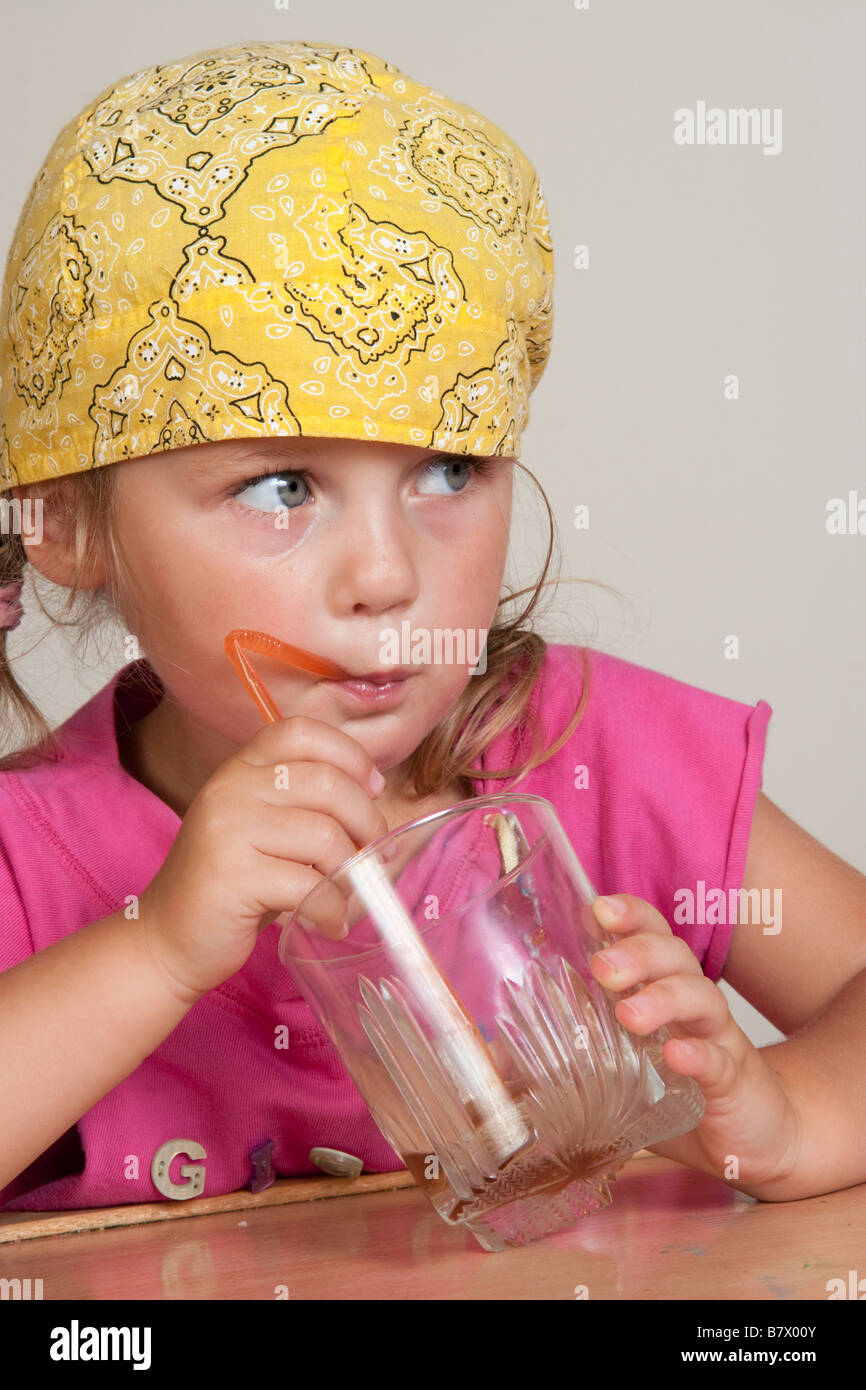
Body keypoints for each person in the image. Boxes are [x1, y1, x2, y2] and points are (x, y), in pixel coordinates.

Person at [0, 38, 864, 1216]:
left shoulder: (593, 756)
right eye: (282, 487)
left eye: (448, 470)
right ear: (65, 525)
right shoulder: (29, 855)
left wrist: (787, 1115)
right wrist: (155, 950)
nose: (385, 574)